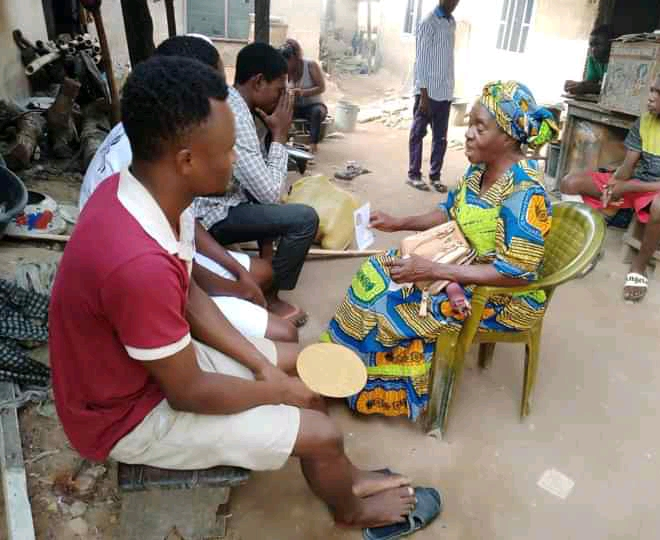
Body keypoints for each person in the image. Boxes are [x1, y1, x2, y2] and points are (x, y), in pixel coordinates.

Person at [50, 55, 443, 536]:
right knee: (320, 429)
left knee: (299, 366)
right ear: (186, 160)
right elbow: (189, 393)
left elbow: (190, 295)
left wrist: (261, 366)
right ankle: (352, 512)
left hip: (152, 373)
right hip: (127, 416)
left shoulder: (149, 195)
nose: (235, 158)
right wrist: (273, 390)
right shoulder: (137, 264)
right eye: (228, 149)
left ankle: (344, 476)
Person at [323, 81, 558, 420]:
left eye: (480, 127)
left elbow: (517, 274)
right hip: (459, 266)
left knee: (392, 303)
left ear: (508, 137)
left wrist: (434, 271)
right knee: (375, 271)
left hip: (502, 297)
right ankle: (339, 369)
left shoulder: (524, 194)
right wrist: (399, 222)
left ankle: (375, 391)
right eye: (470, 123)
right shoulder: (479, 171)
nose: (469, 134)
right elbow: (449, 212)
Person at [78, 35, 297, 343]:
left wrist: (235, 271)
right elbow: (183, 274)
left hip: (173, 266)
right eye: (217, 88)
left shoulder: (154, 138)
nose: (226, 97)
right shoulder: (154, 162)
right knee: (281, 334)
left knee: (261, 275)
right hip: (150, 282)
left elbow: (186, 226)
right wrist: (235, 288)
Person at [194, 43, 319, 328]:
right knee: (304, 219)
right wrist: (280, 135)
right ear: (258, 82)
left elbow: (261, 181)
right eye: (279, 90)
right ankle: (270, 297)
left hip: (225, 201)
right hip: (212, 214)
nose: (283, 98)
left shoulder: (240, 105)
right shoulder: (236, 115)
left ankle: (265, 270)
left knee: (273, 201)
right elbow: (269, 194)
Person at [561, 69, 660, 302]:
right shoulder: (645, 121)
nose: (651, 97)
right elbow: (627, 167)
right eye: (652, 90)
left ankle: (638, 268)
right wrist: (614, 184)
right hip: (637, 184)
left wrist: (628, 188)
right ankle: (585, 249)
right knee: (570, 182)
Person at [407, 0, 460, 193]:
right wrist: (423, 95)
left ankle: (435, 176)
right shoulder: (428, 22)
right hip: (427, 92)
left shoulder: (451, 22)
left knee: (440, 138)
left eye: (457, 0)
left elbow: (447, 59)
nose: (454, 3)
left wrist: (450, 90)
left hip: (444, 92)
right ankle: (414, 175)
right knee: (418, 134)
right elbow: (420, 61)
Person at [280, 38, 327, 154]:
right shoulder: (284, 71)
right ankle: (282, 143)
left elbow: (321, 87)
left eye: (288, 61)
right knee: (280, 111)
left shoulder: (310, 65)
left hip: (314, 105)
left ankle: (313, 146)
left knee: (316, 112)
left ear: (295, 57)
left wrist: (302, 92)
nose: (286, 64)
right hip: (296, 107)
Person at [564, 25, 612, 96]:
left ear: (611, 44)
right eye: (591, 45)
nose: (593, 49)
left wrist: (586, 87)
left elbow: (616, 88)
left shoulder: (619, 62)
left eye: (598, 44)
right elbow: (591, 83)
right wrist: (576, 85)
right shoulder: (592, 59)